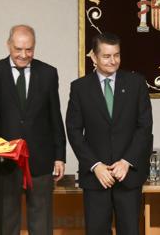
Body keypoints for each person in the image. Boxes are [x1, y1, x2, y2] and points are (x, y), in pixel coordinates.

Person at [0, 25, 67, 235]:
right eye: (18, 49)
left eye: (29, 49)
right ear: (8, 45)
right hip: (5, 161)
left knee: (41, 223)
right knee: (6, 223)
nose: (23, 55)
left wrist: (59, 156)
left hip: (40, 159)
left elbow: (55, 116)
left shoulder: (48, 73)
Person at [66, 32, 153, 235]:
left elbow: (145, 128)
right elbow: (74, 131)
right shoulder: (80, 88)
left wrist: (126, 161)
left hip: (128, 177)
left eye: (117, 55)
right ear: (94, 58)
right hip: (96, 178)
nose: (113, 61)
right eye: (106, 56)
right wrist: (95, 166)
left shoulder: (136, 83)